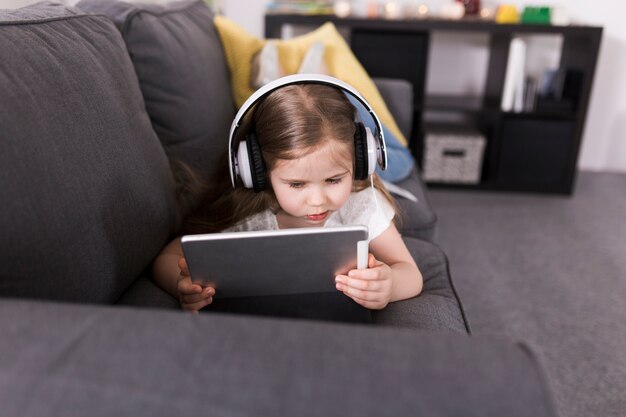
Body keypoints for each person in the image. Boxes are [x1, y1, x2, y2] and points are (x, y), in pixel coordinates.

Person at [152, 79, 423, 322]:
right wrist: (181, 284)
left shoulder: (362, 206)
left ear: (360, 162)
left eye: (333, 180)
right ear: (256, 172)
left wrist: (389, 286)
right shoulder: (249, 219)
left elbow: (410, 274)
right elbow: (168, 256)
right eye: (296, 184)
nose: (317, 200)